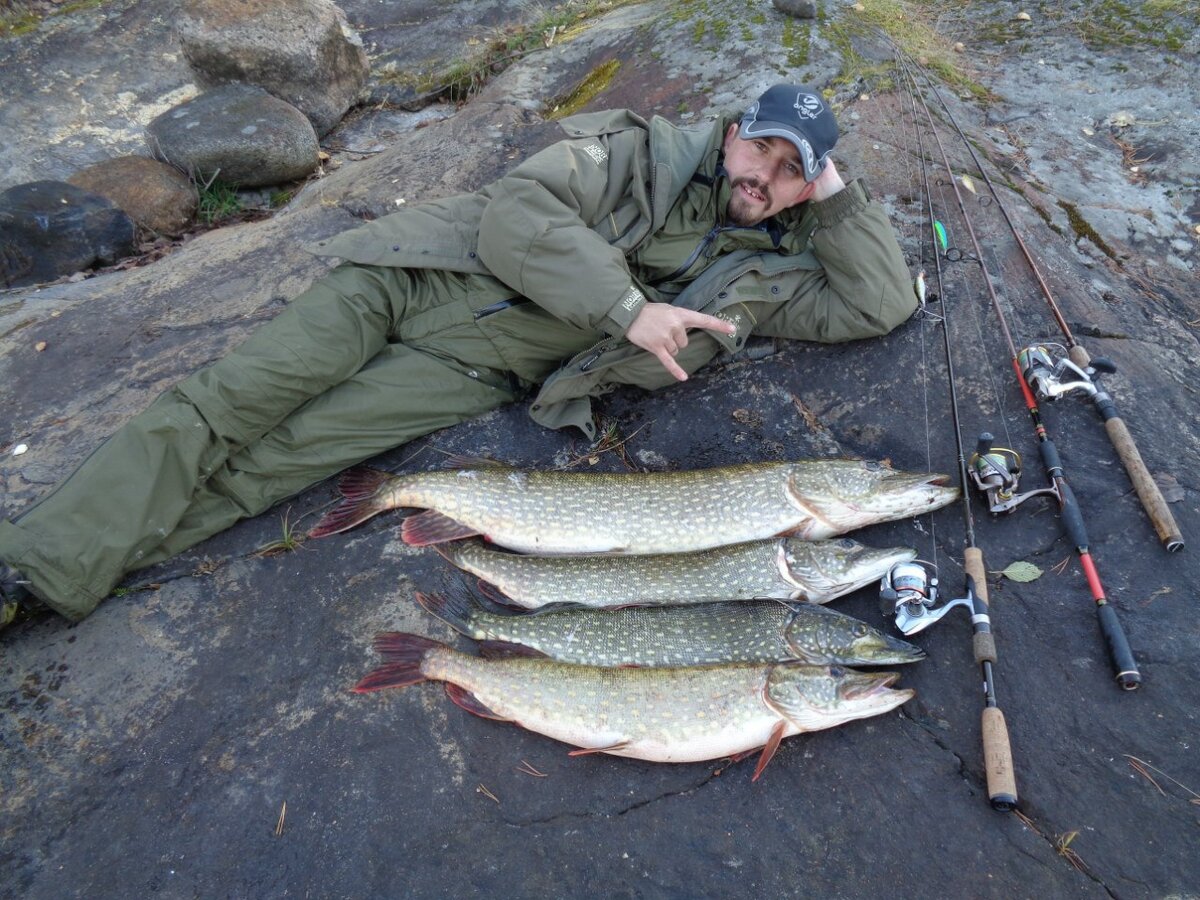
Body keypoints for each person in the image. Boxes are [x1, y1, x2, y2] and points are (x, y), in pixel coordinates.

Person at [0, 83, 915, 629]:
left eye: (790, 168)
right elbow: (522, 210)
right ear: (730, 133)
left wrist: (835, 197)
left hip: (464, 372)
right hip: (403, 282)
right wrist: (628, 308)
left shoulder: (770, 276)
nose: (762, 174)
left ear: (807, 187)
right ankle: (32, 567)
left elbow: (881, 302)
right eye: (758, 146)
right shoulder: (641, 154)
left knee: (275, 468)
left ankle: (70, 578)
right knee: (227, 405)